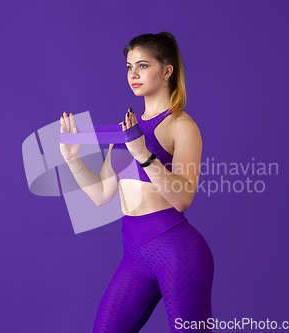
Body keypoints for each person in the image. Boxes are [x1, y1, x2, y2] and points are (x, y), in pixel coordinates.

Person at [59, 32, 214, 333]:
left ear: (167, 70)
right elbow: (102, 194)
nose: (133, 74)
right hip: (135, 254)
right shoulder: (128, 127)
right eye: (129, 66)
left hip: (177, 253)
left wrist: (143, 155)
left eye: (142, 65)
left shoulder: (181, 125)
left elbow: (183, 198)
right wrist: (72, 159)